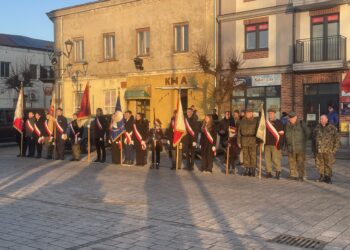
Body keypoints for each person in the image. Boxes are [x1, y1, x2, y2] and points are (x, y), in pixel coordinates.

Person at [312, 114, 340, 184]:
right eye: (321, 119)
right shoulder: (316, 128)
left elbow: (337, 140)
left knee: (328, 164)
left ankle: (328, 177)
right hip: (319, 150)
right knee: (319, 164)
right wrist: (313, 149)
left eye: (324, 119)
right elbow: (313, 139)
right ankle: (322, 176)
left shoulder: (332, 128)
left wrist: (334, 150)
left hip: (329, 150)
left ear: (327, 120)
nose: (322, 120)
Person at [285, 111, 309, 181]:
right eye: (289, 118)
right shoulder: (287, 125)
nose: (290, 119)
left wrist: (303, 141)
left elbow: (308, 133)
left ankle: (301, 176)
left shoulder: (301, 124)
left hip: (300, 147)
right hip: (290, 147)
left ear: (295, 117)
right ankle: (293, 175)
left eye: (292, 117)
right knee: (291, 162)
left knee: (301, 162)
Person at [237, 107, 259, 177]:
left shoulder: (256, 121)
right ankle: (247, 169)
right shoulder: (242, 121)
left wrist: (258, 141)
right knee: (245, 155)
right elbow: (239, 132)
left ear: (252, 113)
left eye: (249, 113)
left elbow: (258, 132)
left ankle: (252, 170)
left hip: (253, 139)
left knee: (252, 155)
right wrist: (239, 141)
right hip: (244, 139)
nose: (248, 114)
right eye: (246, 113)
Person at [265, 108, 285, 179]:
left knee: (275, 159)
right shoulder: (265, 123)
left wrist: (281, 144)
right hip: (267, 144)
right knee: (267, 159)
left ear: (274, 114)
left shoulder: (279, 123)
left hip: (275, 144)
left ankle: (278, 172)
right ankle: (268, 172)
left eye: (271, 113)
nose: (270, 115)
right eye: (269, 113)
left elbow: (282, 134)